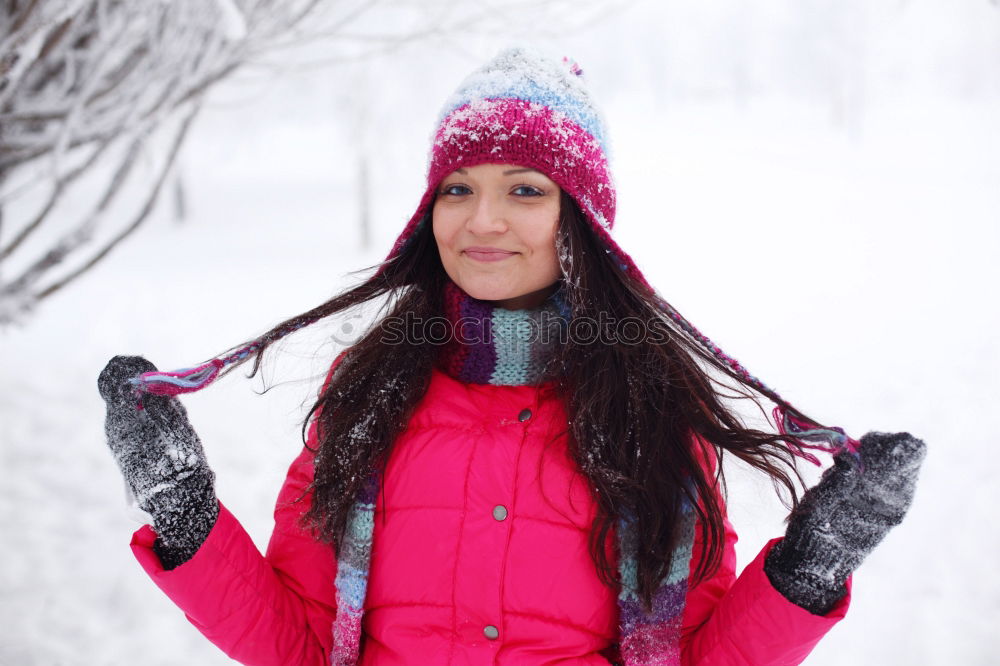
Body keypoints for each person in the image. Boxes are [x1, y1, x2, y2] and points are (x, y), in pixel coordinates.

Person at [98, 47, 926, 665]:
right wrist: (185, 515)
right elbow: (302, 645)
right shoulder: (372, 390)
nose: (481, 221)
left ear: (582, 223)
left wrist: (811, 567)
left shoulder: (650, 411)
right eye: (457, 188)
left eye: (525, 189)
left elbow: (690, 655)